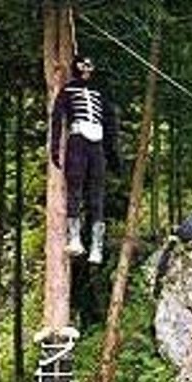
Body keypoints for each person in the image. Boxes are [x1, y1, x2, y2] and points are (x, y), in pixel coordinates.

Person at [51, 54, 120, 264]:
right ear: (77, 66)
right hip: (78, 141)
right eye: (84, 64)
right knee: (75, 189)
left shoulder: (100, 93)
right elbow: (57, 119)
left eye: (90, 64)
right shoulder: (67, 91)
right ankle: (75, 239)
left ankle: (96, 246)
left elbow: (110, 122)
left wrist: (113, 153)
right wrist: (54, 147)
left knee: (97, 194)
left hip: (97, 144)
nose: (88, 68)